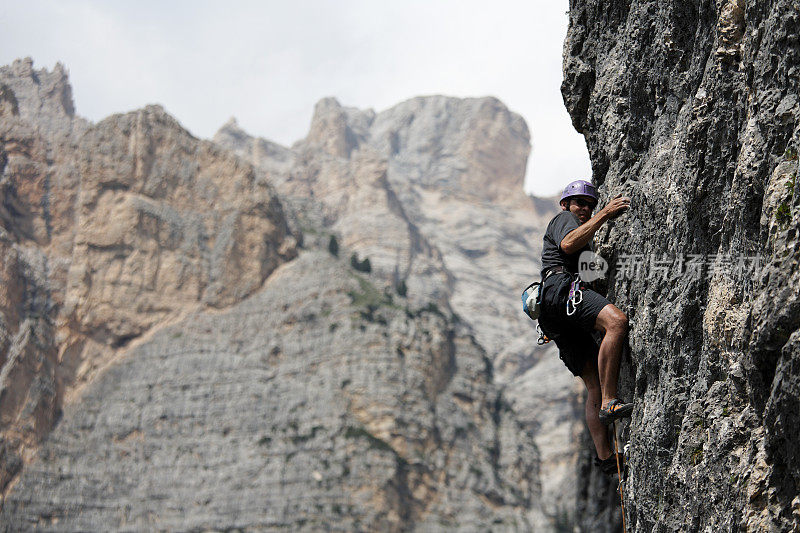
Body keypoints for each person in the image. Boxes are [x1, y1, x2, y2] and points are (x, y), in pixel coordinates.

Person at [537, 179, 633, 475]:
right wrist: (604, 213)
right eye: (579, 203)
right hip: (561, 288)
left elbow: (593, 280)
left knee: (593, 382)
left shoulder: (585, 241)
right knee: (616, 322)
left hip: (555, 308)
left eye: (589, 205)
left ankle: (605, 458)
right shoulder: (563, 219)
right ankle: (609, 403)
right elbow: (567, 244)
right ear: (566, 204)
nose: (585, 209)